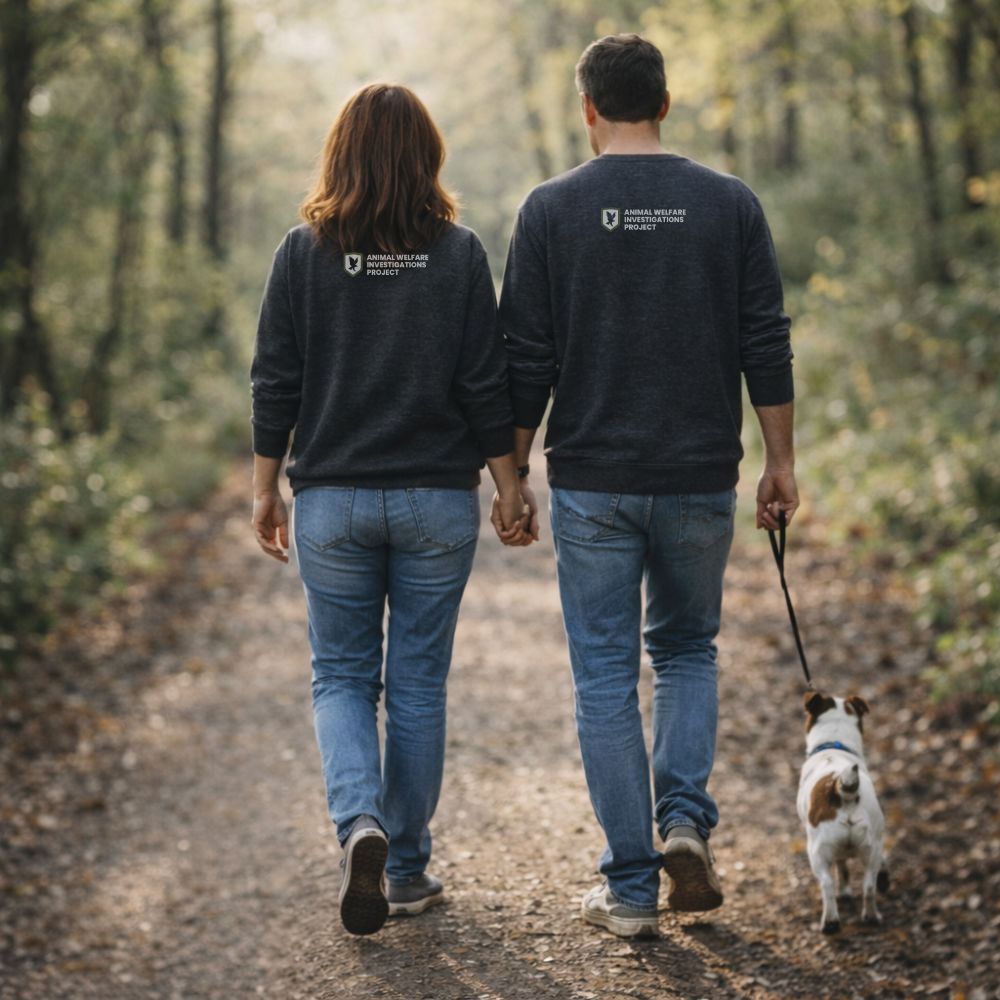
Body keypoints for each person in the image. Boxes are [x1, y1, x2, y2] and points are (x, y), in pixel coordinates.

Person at [497, 33, 799, 938]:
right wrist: (781, 461)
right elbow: (765, 339)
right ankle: (684, 826)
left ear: (588, 109)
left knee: (602, 675)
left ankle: (631, 889)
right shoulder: (728, 203)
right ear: (665, 103)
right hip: (701, 473)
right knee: (687, 651)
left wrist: (511, 476)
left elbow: (526, 359)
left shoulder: (550, 210)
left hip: (593, 481)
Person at [249, 83, 528, 937]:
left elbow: (275, 378)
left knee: (339, 674)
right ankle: (403, 868)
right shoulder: (457, 253)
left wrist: (265, 486)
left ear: (340, 153)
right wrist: (510, 479)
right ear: (428, 157)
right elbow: (485, 380)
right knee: (415, 684)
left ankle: (358, 824)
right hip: (435, 502)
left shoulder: (303, 253)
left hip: (332, 497)